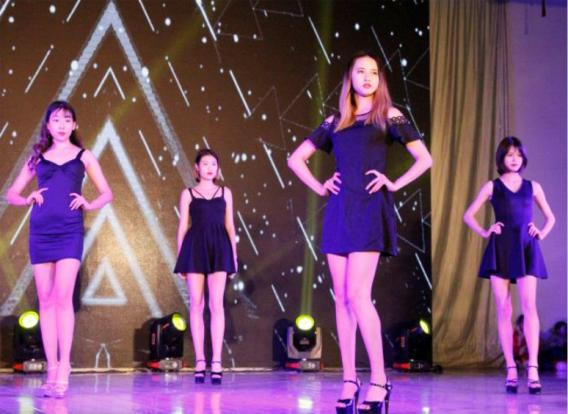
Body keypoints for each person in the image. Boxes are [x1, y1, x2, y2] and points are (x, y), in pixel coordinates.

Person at [288, 51, 432, 414]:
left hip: (369, 209)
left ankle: (379, 380)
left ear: (379, 79)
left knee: (358, 295)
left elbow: (425, 158)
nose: (367, 77)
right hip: (340, 211)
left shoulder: (389, 115)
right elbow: (295, 159)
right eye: (360, 71)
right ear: (349, 78)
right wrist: (321, 186)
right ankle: (349, 380)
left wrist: (394, 183)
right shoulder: (335, 121)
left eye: (373, 72)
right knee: (341, 298)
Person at [6, 101, 113, 397]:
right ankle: (51, 367)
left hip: (69, 231)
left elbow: (107, 192)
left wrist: (89, 203)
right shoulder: (38, 157)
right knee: (46, 299)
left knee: (63, 297)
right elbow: (11, 193)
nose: (62, 125)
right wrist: (27, 198)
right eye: (56, 119)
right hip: (41, 231)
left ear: (74, 125)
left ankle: (64, 365)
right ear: (48, 125)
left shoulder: (83, 155)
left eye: (67, 119)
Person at [463, 136, 555, 394]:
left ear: (523, 158)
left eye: (518, 154)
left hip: (526, 247)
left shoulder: (533, 186)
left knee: (529, 306)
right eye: (509, 154)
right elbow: (468, 215)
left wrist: (540, 233)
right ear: (501, 158)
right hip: (501, 248)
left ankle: (533, 368)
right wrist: (485, 231)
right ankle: (511, 369)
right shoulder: (492, 186)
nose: (514, 159)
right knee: (504, 308)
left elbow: (550, 217)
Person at [174, 148, 237, 385]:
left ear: (217, 169)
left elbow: (230, 226)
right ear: (197, 168)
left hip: (219, 247)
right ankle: (200, 360)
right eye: (205, 164)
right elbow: (182, 227)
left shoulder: (225, 192)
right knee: (196, 304)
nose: (210, 168)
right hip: (195, 248)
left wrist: (233, 256)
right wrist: (181, 257)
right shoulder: (188, 194)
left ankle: (217, 361)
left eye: (214, 164)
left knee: (216, 304)